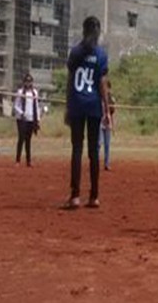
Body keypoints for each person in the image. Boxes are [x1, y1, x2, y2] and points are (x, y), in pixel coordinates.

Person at [62, 16, 111, 210]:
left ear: (83, 30)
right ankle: (94, 196)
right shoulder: (101, 54)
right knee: (93, 152)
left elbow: (70, 80)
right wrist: (106, 109)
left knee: (77, 150)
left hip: (77, 104)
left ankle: (75, 196)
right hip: (93, 106)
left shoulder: (75, 52)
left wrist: (67, 106)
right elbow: (102, 84)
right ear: (97, 32)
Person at [14, 73, 40, 168]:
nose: (28, 83)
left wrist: (37, 119)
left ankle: (28, 161)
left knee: (28, 140)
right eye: (26, 81)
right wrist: (21, 113)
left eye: (30, 81)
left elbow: (36, 106)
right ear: (24, 82)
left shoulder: (34, 93)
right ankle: (17, 160)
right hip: (21, 119)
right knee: (21, 139)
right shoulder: (20, 92)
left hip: (31, 119)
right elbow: (16, 105)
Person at [98, 84, 116, 171]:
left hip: (107, 123)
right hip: (100, 122)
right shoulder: (98, 97)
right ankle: (96, 163)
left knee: (107, 145)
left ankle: (107, 164)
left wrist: (112, 125)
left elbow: (112, 113)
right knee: (99, 142)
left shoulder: (111, 99)